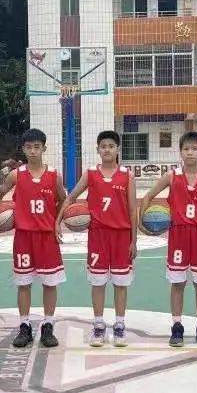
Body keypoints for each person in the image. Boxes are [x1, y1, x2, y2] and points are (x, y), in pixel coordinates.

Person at [57, 130, 136, 347]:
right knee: (98, 283)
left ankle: (119, 325)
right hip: (98, 236)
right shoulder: (90, 173)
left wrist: (134, 240)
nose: (107, 150)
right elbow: (71, 197)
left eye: (111, 146)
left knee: (121, 284)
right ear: (98, 150)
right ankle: (99, 324)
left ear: (118, 149)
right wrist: (58, 220)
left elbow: (132, 210)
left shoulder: (127, 175)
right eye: (103, 146)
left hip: (121, 236)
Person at [139, 131, 197, 348]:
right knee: (177, 283)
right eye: (186, 148)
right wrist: (142, 223)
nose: (190, 152)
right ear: (180, 152)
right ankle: (177, 326)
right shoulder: (172, 176)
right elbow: (148, 196)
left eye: (194, 148)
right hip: (178, 237)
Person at [0, 128, 66, 348]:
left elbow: (63, 200)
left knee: (50, 284)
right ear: (23, 149)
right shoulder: (16, 174)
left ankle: (48, 325)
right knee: (23, 284)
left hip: (46, 238)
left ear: (44, 148)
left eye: (37, 147)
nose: (33, 151)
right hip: (23, 237)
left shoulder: (54, 175)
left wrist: (56, 222)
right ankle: (24, 325)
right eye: (28, 147)